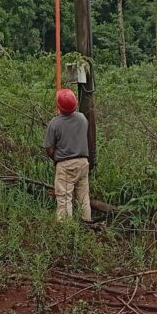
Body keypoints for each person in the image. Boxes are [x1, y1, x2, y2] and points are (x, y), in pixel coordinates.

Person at [44, 88, 92, 223]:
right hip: (83, 163)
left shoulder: (55, 123)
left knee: (64, 200)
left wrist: (56, 158)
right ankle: (87, 225)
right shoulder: (82, 118)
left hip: (65, 165)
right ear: (75, 104)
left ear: (59, 106)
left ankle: (65, 232)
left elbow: (48, 147)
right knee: (83, 198)